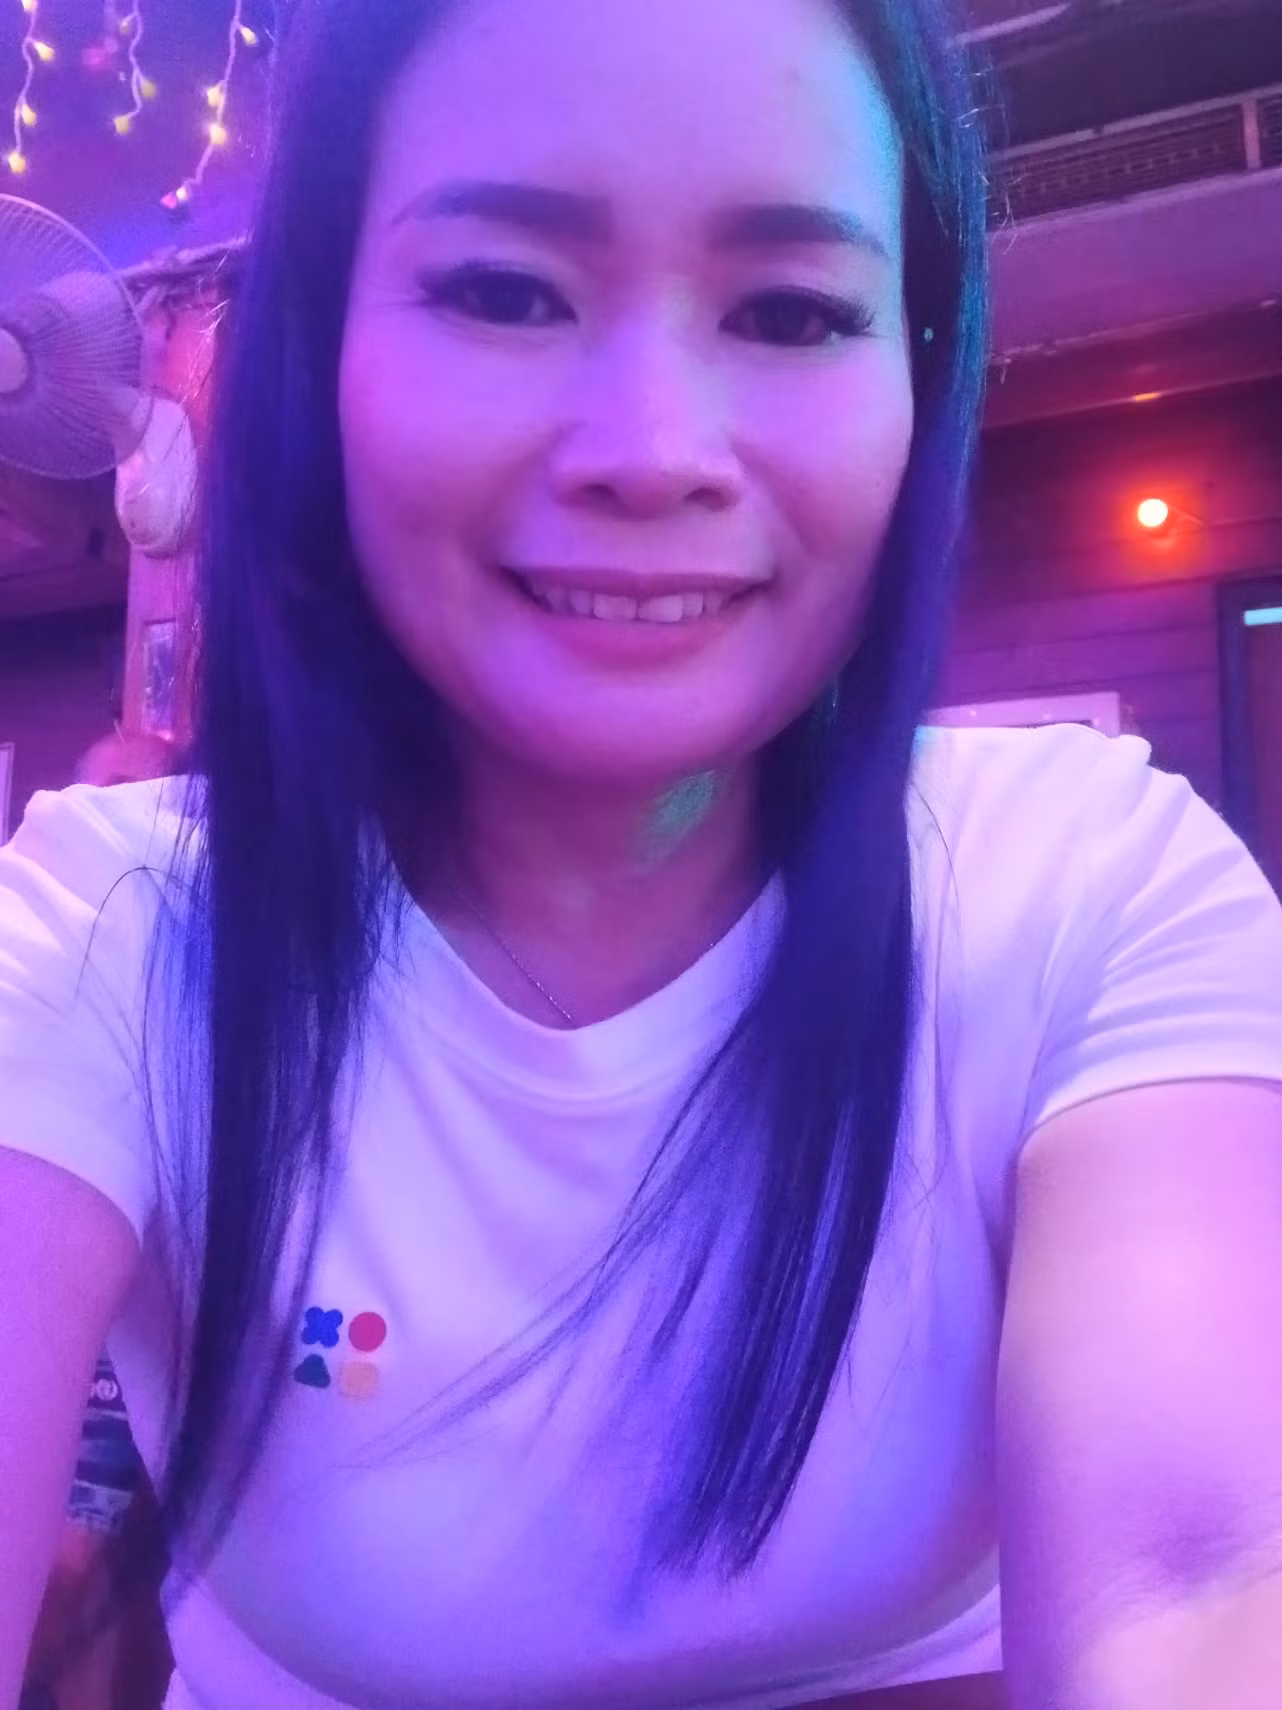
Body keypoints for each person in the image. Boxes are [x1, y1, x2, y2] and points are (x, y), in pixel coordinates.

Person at [2, 1, 1281, 1707]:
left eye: (789, 311)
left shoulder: (1085, 883)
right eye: (504, 291)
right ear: (321, 352)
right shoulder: (108, 930)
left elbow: (1200, 1577)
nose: (652, 453)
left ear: (913, 377)